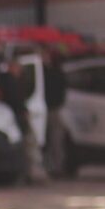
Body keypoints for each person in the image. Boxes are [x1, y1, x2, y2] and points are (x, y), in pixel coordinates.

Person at [0, 58, 48, 184]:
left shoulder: (4, 81)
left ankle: (29, 173)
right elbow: (16, 100)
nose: (20, 71)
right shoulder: (10, 82)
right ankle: (30, 174)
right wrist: (23, 112)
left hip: (13, 117)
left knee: (27, 146)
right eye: (18, 68)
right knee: (27, 146)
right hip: (16, 118)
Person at [42, 47, 68, 177]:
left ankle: (54, 167)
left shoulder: (48, 73)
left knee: (53, 141)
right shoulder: (58, 73)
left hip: (51, 109)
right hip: (52, 109)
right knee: (53, 140)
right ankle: (54, 167)